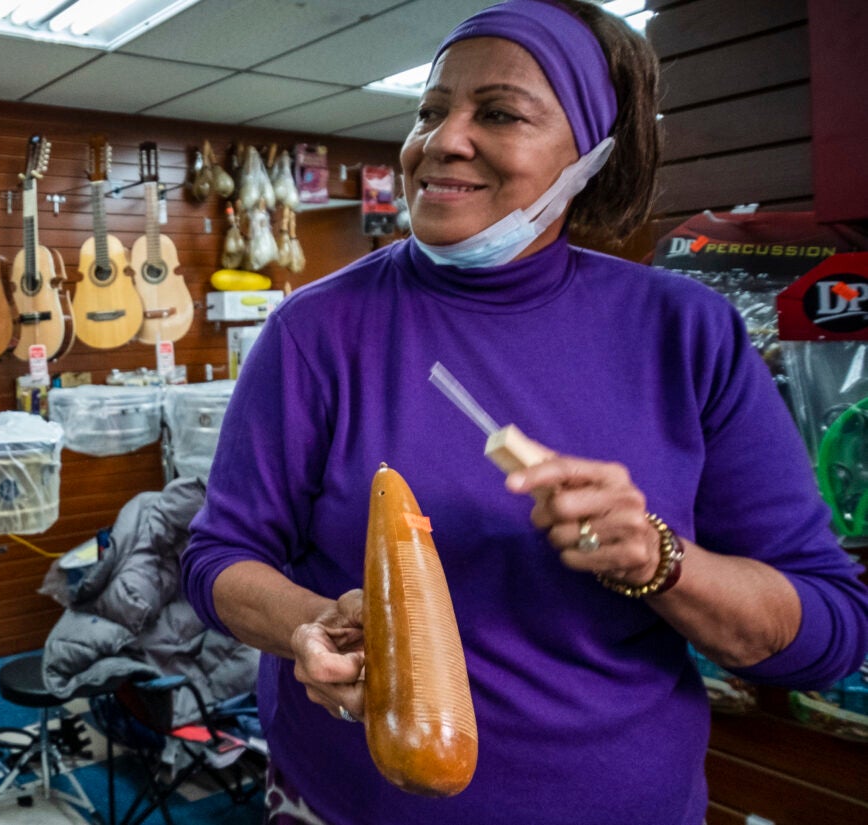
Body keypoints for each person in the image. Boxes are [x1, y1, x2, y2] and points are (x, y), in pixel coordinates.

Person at [181, 2, 868, 823]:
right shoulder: (315, 329)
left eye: (498, 112)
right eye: (431, 110)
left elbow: (829, 629)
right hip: (347, 802)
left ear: (593, 156)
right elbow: (221, 554)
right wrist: (309, 624)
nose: (441, 139)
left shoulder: (687, 333)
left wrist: (659, 560)